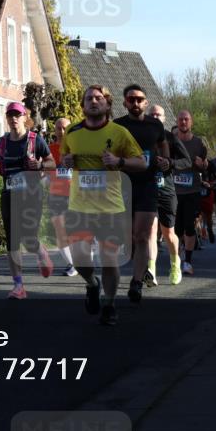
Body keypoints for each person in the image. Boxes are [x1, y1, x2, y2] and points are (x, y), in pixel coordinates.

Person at [60, 85, 144, 325]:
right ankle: (92, 283)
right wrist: (65, 161)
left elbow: (141, 162)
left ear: (107, 104)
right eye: (89, 98)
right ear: (83, 105)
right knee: (80, 259)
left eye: (98, 98)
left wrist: (119, 161)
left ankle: (109, 305)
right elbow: (63, 162)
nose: (93, 102)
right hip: (80, 207)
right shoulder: (72, 132)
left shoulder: (120, 133)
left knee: (109, 259)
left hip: (110, 208)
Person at [0, 103, 56, 299]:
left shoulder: (35, 140)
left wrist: (40, 164)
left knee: (29, 237)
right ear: (6, 118)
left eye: (17, 115)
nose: (13, 119)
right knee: (12, 240)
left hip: (32, 194)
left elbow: (52, 162)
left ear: (25, 117)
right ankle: (18, 286)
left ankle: (41, 252)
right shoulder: (1, 143)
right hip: (10, 194)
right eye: (10, 115)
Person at [113, 85, 169, 304]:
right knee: (128, 238)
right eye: (131, 99)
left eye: (139, 99)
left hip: (148, 185)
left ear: (146, 102)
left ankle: (136, 282)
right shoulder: (117, 125)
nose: (135, 103)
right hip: (124, 185)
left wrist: (166, 162)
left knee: (143, 235)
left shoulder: (155, 125)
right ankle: (141, 264)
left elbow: (164, 146)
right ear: (125, 102)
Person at [146, 107, 192, 286]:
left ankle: (175, 263)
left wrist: (170, 163)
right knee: (150, 230)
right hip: (147, 189)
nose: (155, 117)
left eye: (158, 115)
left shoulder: (170, 137)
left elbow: (186, 161)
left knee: (168, 233)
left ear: (164, 118)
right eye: (152, 115)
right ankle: (151, 270)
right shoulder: (141, 138)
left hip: (166, 189)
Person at [171, 110, 207, 281]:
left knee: (189, 227)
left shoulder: (199, 143)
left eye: (186, 119)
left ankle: (188, 261)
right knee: (176, 229)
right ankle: (176, 261)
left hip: (192, 191)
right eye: (180, 119)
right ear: (177, 122)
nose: (183, 122)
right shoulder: (170, 141)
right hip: (174, 191)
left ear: (191, 122)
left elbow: (205, 165)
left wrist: (202, 165)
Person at [48, 117, 77, 276]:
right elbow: (44, 170)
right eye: (58, 128)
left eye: (65, 128)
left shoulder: (77, 148)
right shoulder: (50, 148)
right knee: (59, 230)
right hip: (56, 194)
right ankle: (71, 264)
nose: (62, 131)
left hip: (75, 195)